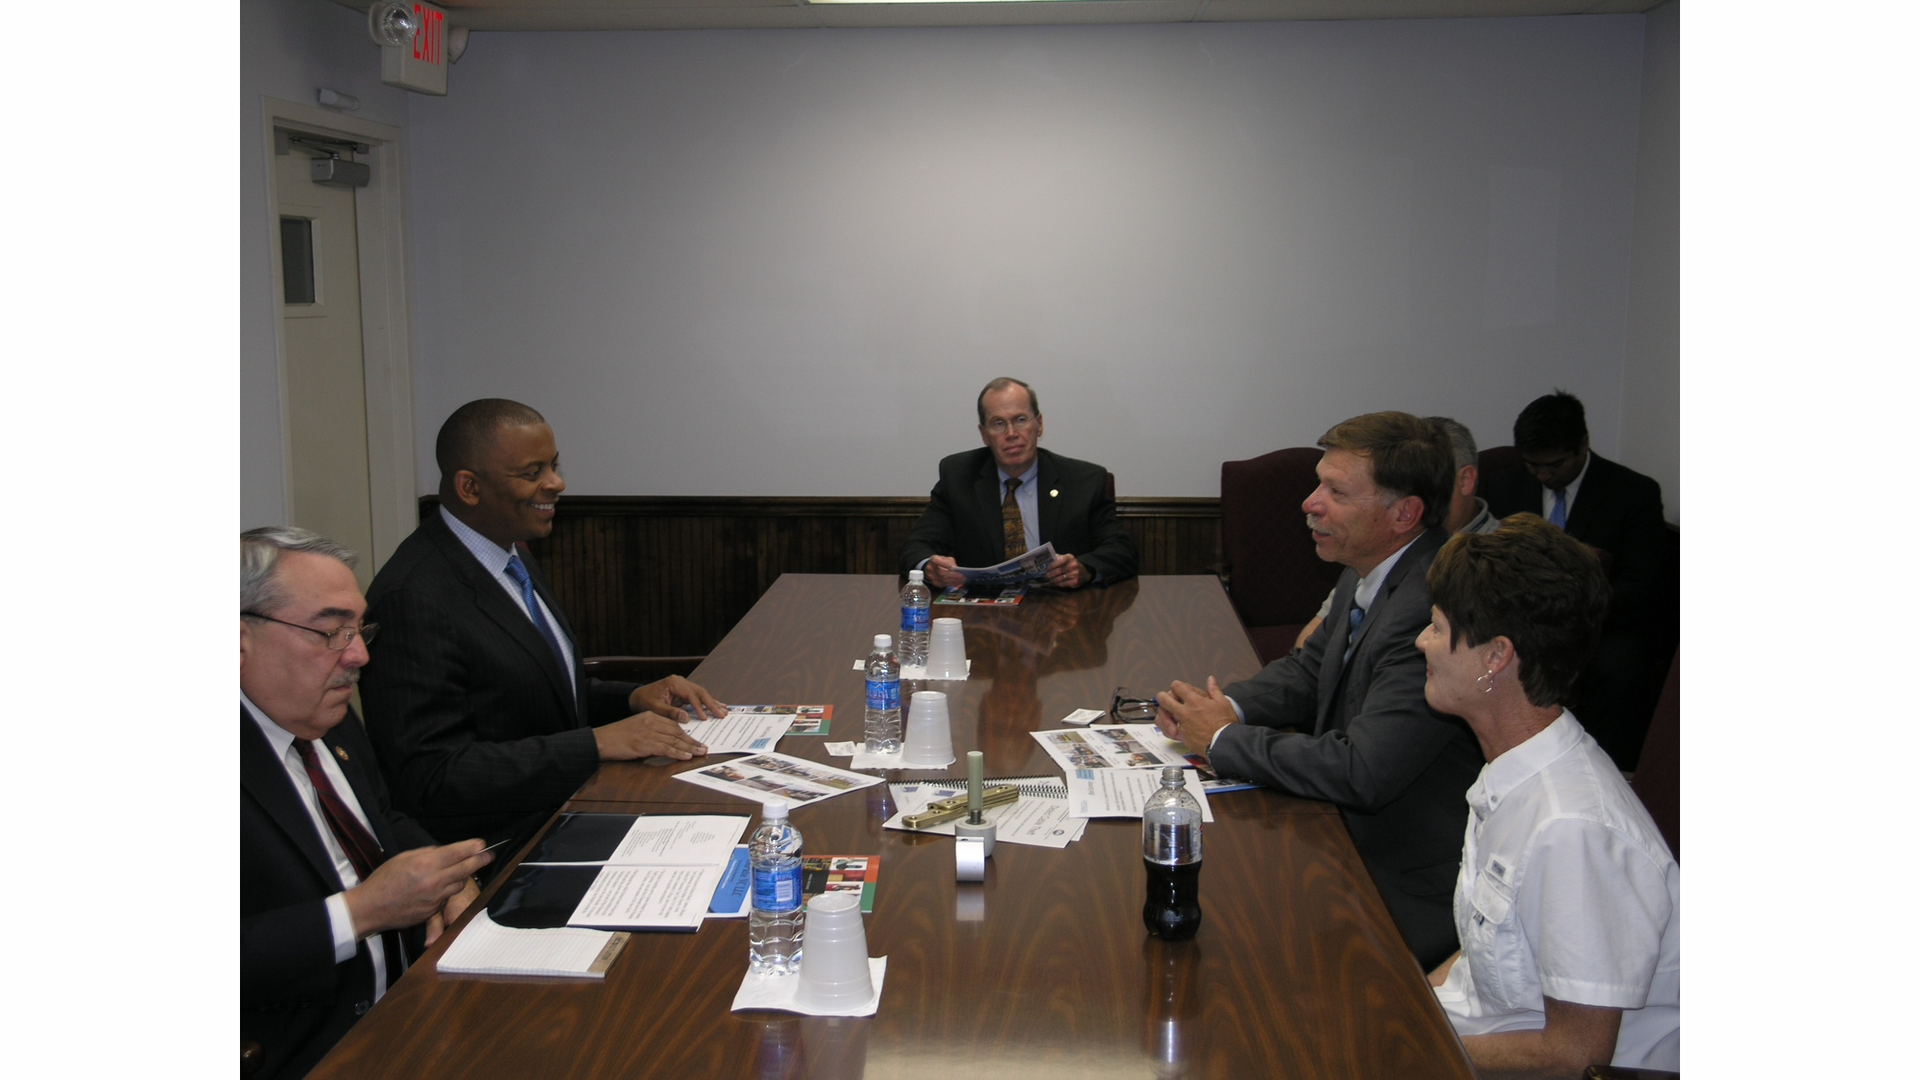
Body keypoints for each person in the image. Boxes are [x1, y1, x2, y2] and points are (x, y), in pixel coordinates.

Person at [1154, 412, 1483, 968]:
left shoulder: (1429, 602)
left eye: (1336, 491)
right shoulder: (1370, 566)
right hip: (1344, 834)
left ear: (1404, 513)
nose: (1310, 502)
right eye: (1317, 483)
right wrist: (1224, 707)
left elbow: (1363, 771)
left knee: (1230, 947)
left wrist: (1223, 739)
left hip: (1402, 874)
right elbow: (1310, 670)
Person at [360, 399, 727, 855]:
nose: (556, 483)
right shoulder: (412, 598)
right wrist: (593, 745)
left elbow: (533, 696)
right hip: (499, 850)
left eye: (553, 466)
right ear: (469, 487)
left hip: (567, 808)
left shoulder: (509, 552)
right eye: (533, 473)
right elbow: (432, 775)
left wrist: (630, 697)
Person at [1418, 515, 1679, 1076]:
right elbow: (1485, 956)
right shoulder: (1511, 774)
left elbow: (1576, 1056)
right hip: (1470, 1042)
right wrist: (1406, 1006)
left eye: (1437, 628)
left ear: (1496, 656)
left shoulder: (1571, 829)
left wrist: (1402, 1047)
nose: (1422, 642)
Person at [242, 527, 494, 1079]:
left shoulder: (325, 715)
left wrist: (448, 877)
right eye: (331, 631)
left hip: (415, 1007)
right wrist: (359, 914)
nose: (357, 655)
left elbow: (384, 820)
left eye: (360, 630)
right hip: (309, 1049)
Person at [1479, 391, 1672, 769]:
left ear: (1582, 445)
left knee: (1622, 668)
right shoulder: (1501, 488)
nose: (1543, 475)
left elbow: (1642, 588)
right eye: (1532, 464)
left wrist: (1571, 610)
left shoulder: (1633, 493)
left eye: (1553, 464)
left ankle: (1611, 773)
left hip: (1600, 625)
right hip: (1519, 624)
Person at [899, 377, 1137, 590]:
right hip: (984, 617)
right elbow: (916, 547)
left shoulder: (1084, 481)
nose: (1011, 433)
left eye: (1020, 420)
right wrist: (929, 566)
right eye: (998, 423)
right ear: (984, 434)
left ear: (1039, 424)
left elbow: (1121, 551)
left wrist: (1084, 569)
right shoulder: (958, 476)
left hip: (1062, 613)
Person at [1292, 415, 1499, 650]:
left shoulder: (1477, 577)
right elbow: (1310, 656)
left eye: (1338, 491)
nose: (1309, 504)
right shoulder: (1367, 557)